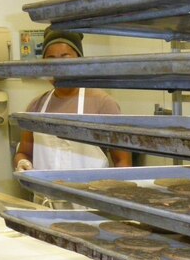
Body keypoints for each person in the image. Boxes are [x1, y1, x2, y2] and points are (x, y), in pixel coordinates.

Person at [13, 27, 131, 206]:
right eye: (50, 59)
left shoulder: (102, 103)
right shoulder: (36, 106)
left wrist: (114, 199)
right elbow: (24, 152)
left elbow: (123, 161)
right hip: (45, 207)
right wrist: (22, 162)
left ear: (80, 61)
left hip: (91, 207)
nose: (58, 66)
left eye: (65, 58)